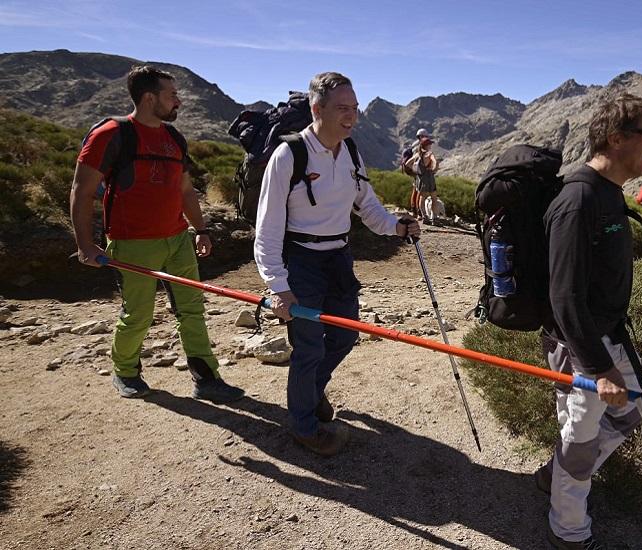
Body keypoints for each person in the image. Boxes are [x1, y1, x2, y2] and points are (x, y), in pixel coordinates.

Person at [253, 72, 420, 456]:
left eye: (355, 109)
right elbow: (267, 228)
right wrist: (278, 285)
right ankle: (304, 426)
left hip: (339, 259)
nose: (352, 117)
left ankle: (308, 393)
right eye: (343, 108)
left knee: (345, 335)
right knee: (309, 347)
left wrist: (396, 228)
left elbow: (368, 205)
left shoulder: (350, 152)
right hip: (302, 262)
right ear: (318, 109)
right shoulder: (289, 155)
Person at [70, 65, 245, 403]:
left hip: (178, 239)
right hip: (131, 243)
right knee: (138, 314)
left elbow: (185, 190)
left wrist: (201, 229)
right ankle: (125, 371)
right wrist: (85, 245)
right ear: (149, 98)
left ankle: (206, 378)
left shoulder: (173, 138)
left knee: (191, 310)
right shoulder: (110, 133)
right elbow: (82, 189)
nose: (179, 101)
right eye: (172, 96)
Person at [536, 92, 642, 550]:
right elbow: (564, 295)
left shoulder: (608, 193)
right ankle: (568, 530)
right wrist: (597, 366)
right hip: (580, 345)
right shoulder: (578, 200)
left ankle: (555, 475)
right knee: (581, 436)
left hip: (608, 337)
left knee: (632, 416)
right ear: (616, 138)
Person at [407, 129, 440, 225]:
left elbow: (408, 163)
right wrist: (434, 168)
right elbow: (434, 162)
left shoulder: (418, 154)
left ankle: (424, 216)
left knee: (422, 198)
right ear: (427, 145)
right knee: (434, 198)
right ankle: (434, 218)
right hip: (429, 178)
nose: (431, 145)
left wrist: (416, 171)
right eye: (430, 144)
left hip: (421, 178)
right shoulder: (429, 154)